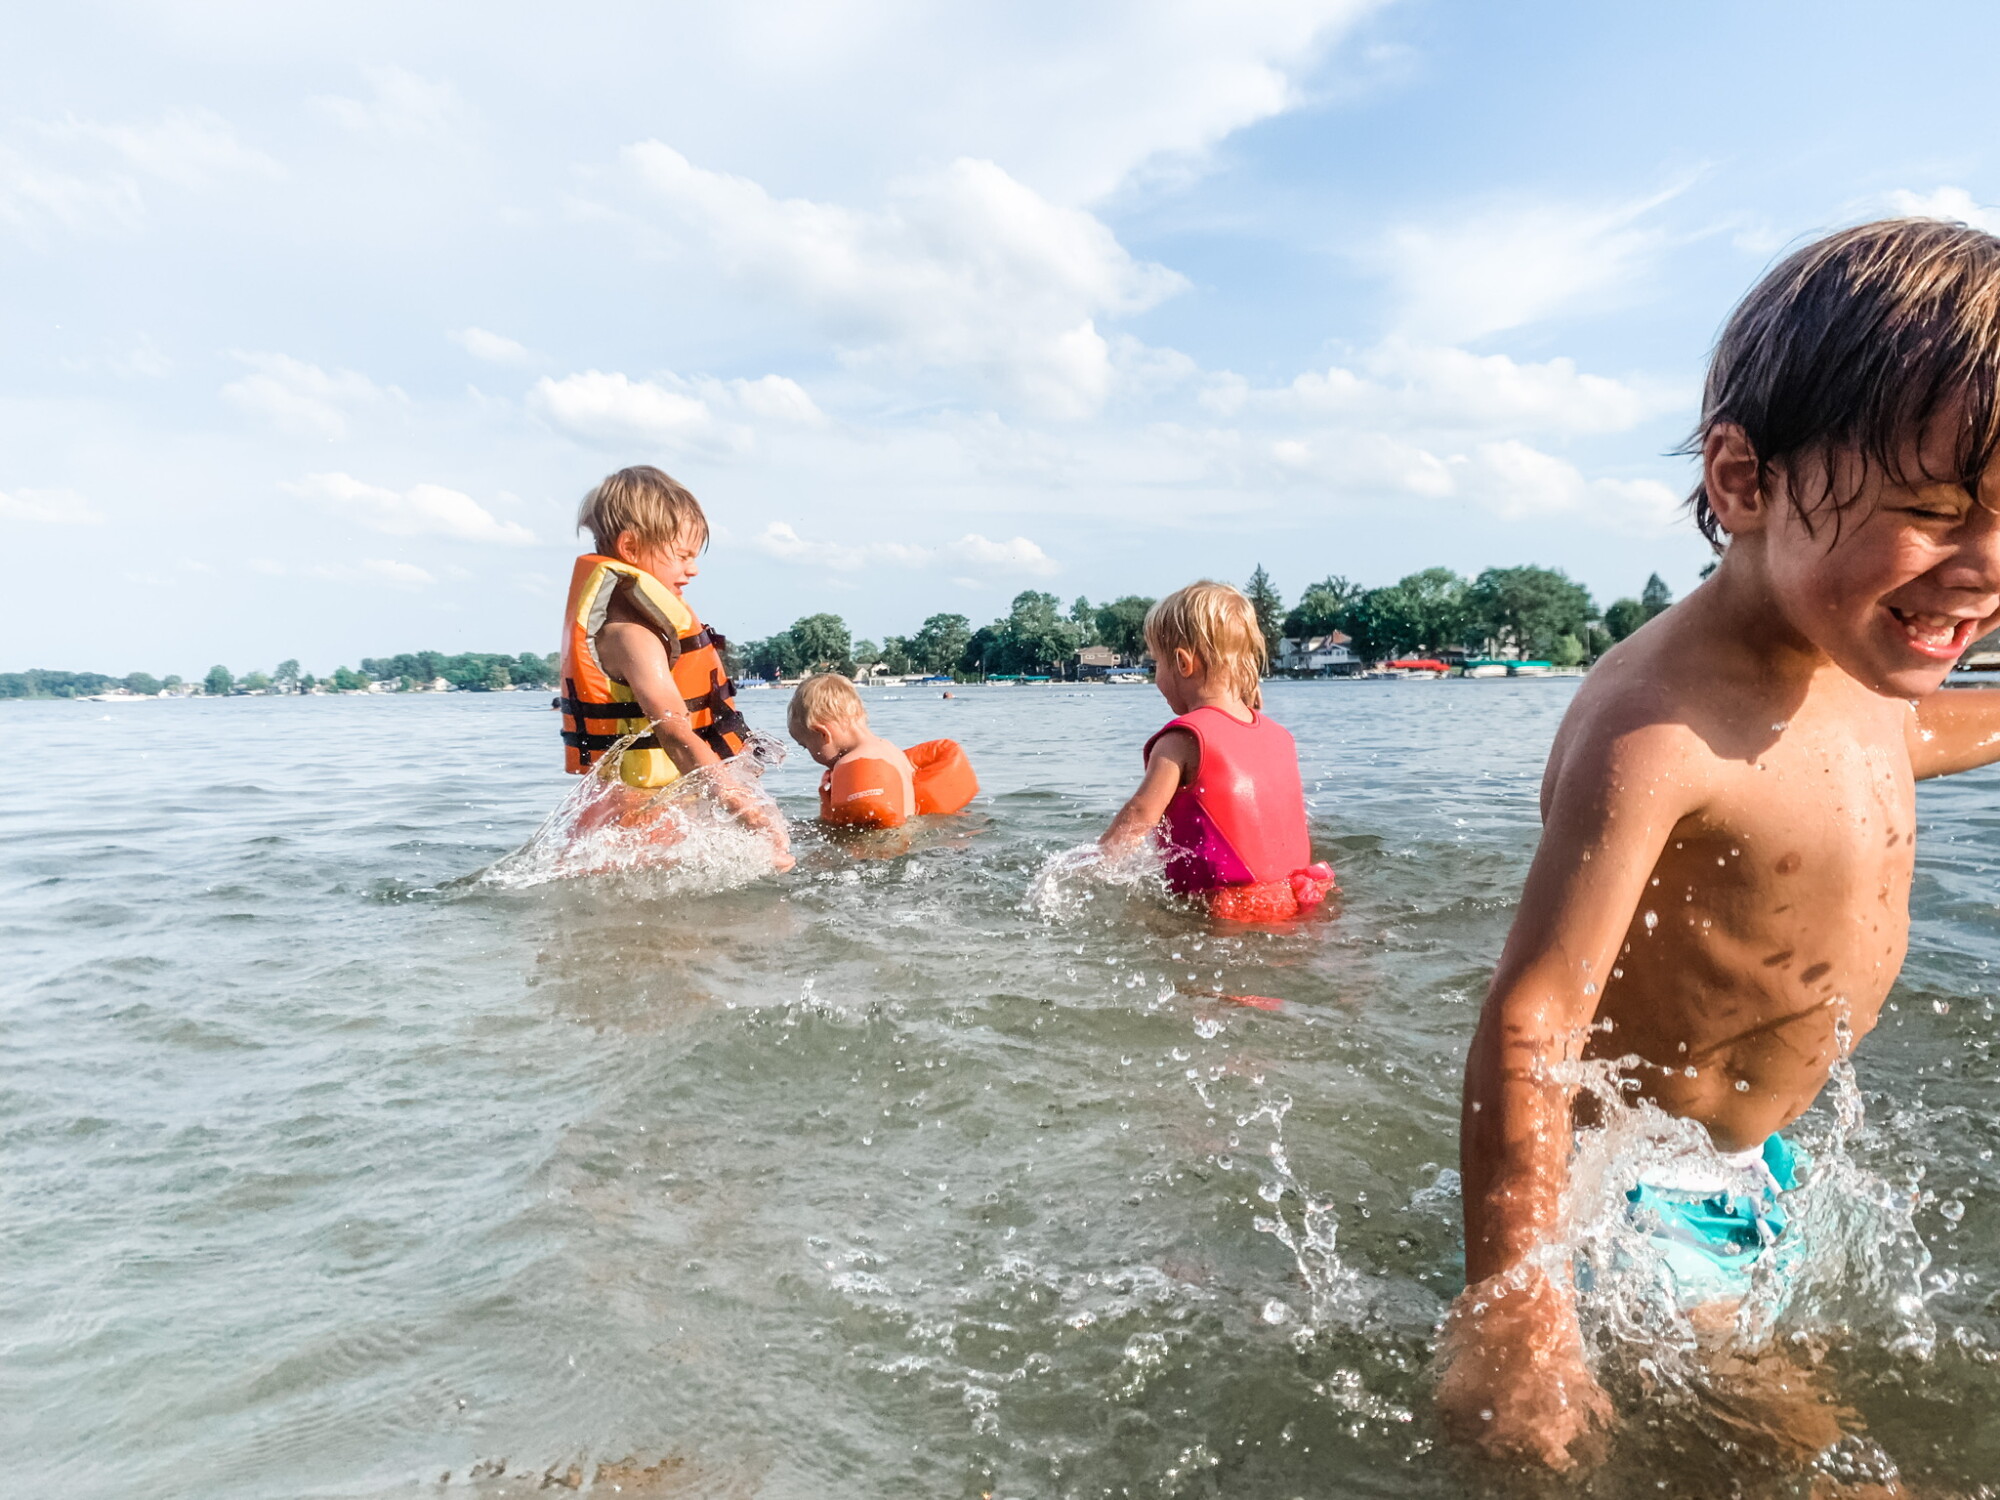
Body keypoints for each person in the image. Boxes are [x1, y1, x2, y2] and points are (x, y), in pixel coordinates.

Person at [1439, 218, 2000, 1475]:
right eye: (1932, 510)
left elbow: (1891, 750)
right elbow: (1528, 1026)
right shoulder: (1658, 728)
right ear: (1743, 482)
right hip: (1631, 1194)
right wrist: (1517, 1308)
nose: (1980, 571)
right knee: (1827, 1464)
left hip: (1755, 1160)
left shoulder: (1851, 660)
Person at [557, 465, 790, 862]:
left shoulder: (642, 629)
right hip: (629, 828)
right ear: (630, 549)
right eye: (682, 555)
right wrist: (743, 807)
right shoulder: (631, 636)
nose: (693, 568)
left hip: (630, 826)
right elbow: (675, 734)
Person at [1099, 581, 1333, 920]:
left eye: (1156, 665)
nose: (1156, 678)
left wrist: (1093, 863)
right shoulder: (1279, 736)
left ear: (1182, 663)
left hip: (1227, 910)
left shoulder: (1183, 740)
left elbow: (1140, 815)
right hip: (1300, 896)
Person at [787, 673, 977, 828]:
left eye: (805, 746)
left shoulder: (853, 763)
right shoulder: (892, 752)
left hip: (878, 857)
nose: (810, 754)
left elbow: (858, 837)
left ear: (822, 734)